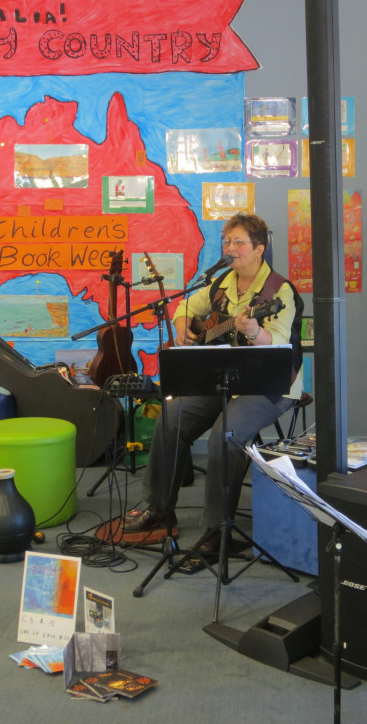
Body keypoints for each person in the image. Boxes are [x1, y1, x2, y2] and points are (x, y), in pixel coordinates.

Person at [123, 213, 304, 554]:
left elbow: (277, 341)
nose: (230, 248)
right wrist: (182, 327)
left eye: (239, 242)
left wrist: (255, 331)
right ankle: (159, 508)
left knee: (225, 435)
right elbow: (187, 305)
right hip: (223, 378)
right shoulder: (223, 282)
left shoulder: (279, 291)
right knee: (171, 418)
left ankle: (217, 530)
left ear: (259, 249)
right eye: (227, 241)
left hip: (269, 384)